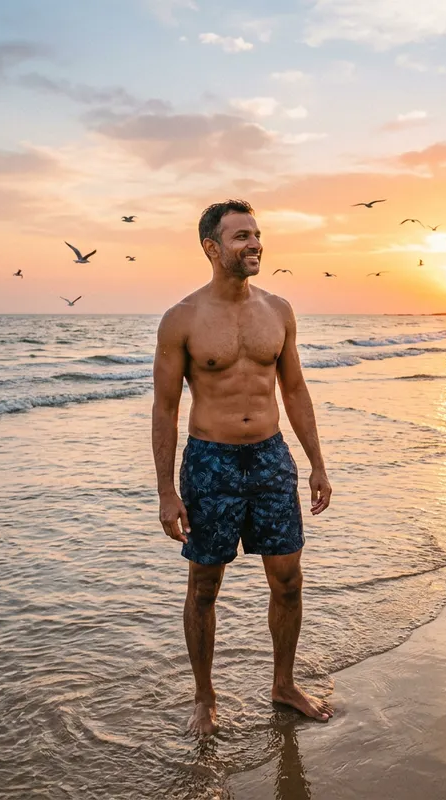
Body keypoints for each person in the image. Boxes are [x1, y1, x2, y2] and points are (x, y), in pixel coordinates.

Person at [152, 199, 334, 735]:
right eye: (240, 237)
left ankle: (283, 684)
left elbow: (295, 389)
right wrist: (166, 491)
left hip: (272, 458)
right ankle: (204, 697)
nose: (254, 243)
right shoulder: (182, 319)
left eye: (256, 234)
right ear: (212, 248)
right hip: (211, 463)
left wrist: (316, 463)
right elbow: (164, 408)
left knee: (289, 581)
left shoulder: (278, 310)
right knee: (205, 585)